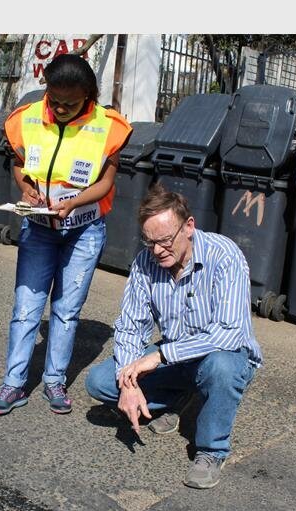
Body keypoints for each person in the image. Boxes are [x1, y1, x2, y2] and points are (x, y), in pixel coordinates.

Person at [84, 185, 263, 489]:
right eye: (149, 241)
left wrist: (159, 356)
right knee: (100, 381)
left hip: (223, 356)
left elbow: (230, 333)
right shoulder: (146, 262)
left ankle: (211, 450)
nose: (157, 250)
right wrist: (128, 383)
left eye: (165, 240)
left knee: (220, 368)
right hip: (174, 357)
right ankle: (175, 398)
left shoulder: (224, 255)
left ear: (188, 226)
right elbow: (130, 327)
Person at [0, 53, 132, 416]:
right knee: (26, 308)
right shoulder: (26, 119)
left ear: (89, 96)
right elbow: (19, 164)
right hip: (38, 229)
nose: (61, 109)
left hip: (84, 231)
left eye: (71, 103)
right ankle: (13, 384)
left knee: (66, 310)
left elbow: (106, 181)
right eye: (55, 100)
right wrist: (26, 189)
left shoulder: (109, 127)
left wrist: (75, 202)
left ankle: (55, 381)